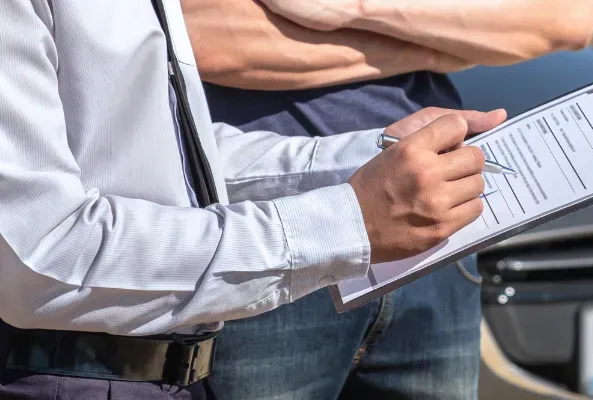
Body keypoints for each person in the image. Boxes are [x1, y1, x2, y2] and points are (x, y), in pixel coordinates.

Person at [0, 0, 507, 398]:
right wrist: (349, 222)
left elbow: (175, 154)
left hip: (175, 374)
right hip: (64, 374)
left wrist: (370, 160)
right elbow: (41, 259)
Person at [182, 1, 593, 399]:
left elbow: (563, 18)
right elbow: (200, 36)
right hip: (279, 230)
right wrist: (442, 43)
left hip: (438, 230)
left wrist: (350, 10)